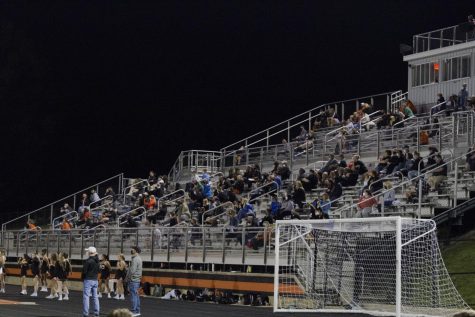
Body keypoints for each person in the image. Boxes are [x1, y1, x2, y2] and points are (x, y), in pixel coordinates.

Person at [82, 246, 100, 317]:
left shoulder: (88, 261)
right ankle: (96, 312)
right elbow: (99, 271)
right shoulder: (97, 261)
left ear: (89, 252)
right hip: (95, 280)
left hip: (88, 280)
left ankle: (86, 313)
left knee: (86, 297)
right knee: (95, 297)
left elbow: (84, 272)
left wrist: (82, 278)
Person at [127, 246, 143, 317]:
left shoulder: (135, 259)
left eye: (132, 249)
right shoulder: (138, 258)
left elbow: (132, 271)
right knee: (136, 296)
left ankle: (134, 311)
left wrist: (128, 276)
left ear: (135, 251)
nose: (131, 250)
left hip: (133, 280)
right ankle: (137, 311)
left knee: (133, 296)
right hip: (136, 280)